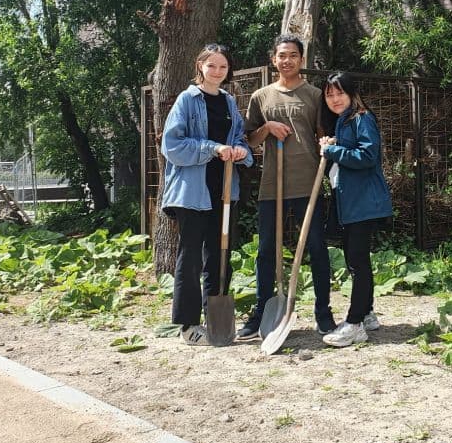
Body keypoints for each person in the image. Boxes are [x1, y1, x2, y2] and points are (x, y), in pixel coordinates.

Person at [237, 35, 335, 340]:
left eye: (293, 55)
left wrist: (326, 143)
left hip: (308, 182)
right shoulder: (261, 97)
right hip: (272, 185)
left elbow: (324, 133)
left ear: (302, 60)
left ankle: (323, 312)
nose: (287, 60)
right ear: (273, 59)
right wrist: (266, 128)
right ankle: (261, 313)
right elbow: (249, 140)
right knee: (266, 251)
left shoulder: (315, 95)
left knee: (317, 248)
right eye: (282, 55)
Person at [161, 44, 253, 345]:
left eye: (223, 67)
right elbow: (172, 145)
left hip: (223, 190)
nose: (217, 72)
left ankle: (216, 320)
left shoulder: (228, 102)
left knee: (219, 254)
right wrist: (212, 148)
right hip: (191, 192)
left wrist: (241, 151)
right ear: (200, 66)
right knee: (190, 257)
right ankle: (188, 326)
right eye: (211, 65)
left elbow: (239, 137)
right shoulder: (186, 100)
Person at [318, 72, 392, 347]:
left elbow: (368, 155)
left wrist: (333, 152)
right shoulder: (344, 121)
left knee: (357, 261)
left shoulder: (361, 117)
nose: (335, 99)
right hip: (350, 202)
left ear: (351, 94)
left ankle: (354, 323)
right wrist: (336, 145)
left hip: (363, 202)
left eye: (340, 93)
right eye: (329, 94)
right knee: (355, 258)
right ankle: (368, 313)